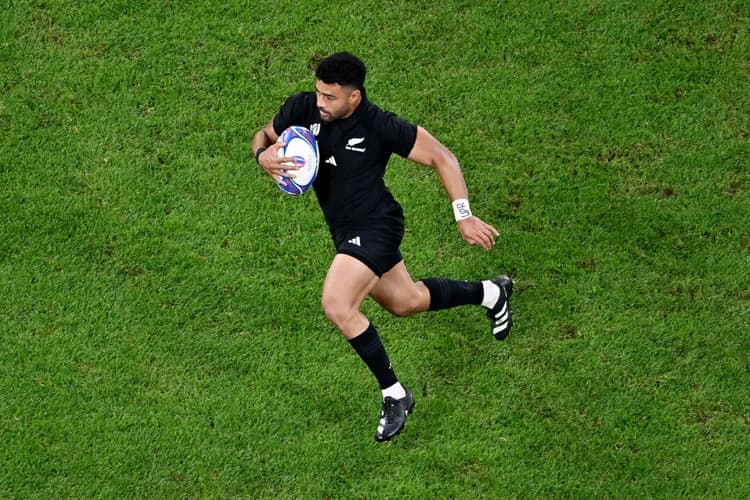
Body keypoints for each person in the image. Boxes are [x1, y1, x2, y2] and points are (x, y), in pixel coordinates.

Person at [252, 52, 513, 442]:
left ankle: (395, 393)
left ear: (354, 97)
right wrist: (263, 156)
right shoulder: (303, 107)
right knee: (404, 301)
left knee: (337, 304)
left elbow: (442, 156)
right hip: (344, 231)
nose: (320, 103)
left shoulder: (378, 125)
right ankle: (492, 293)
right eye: (319, 93)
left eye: (330, 97)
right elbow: (264, 135)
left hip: (377, 227)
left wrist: (464, 215)